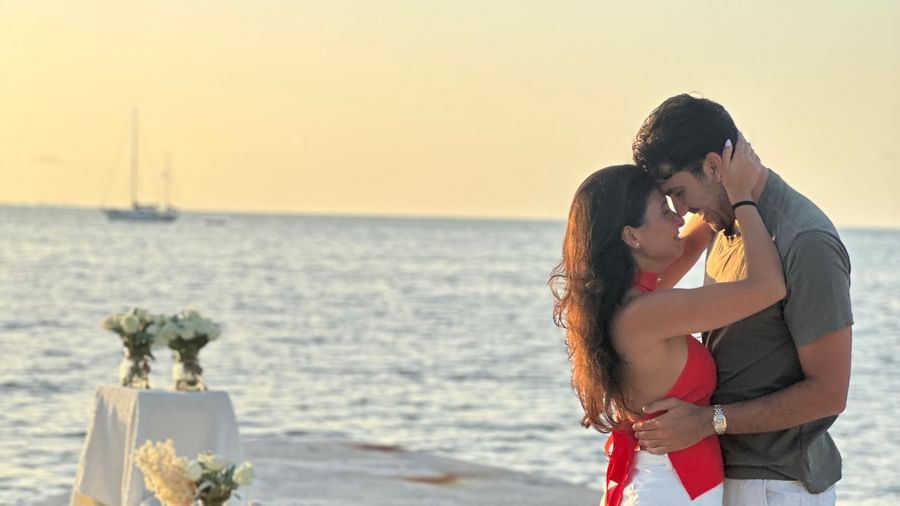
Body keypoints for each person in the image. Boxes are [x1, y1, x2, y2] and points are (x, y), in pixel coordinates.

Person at [630, 94, 853, 506]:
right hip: (727, 475)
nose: (681, 211)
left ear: (715, 167)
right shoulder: (726, 221)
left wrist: (706, 422)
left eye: (680, 192)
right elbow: (639, 292)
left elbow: (829, 392)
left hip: (775, 487)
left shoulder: (804, 242)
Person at [549, 137, 785, 505]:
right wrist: (741, 196)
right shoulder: (645, 314)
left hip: (663, 484)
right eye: (664, 211)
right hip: (668, 490)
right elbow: (768, 287)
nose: (681, 216)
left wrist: (715, 187)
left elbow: (690, 240)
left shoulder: (625, 300)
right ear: (631, 236)